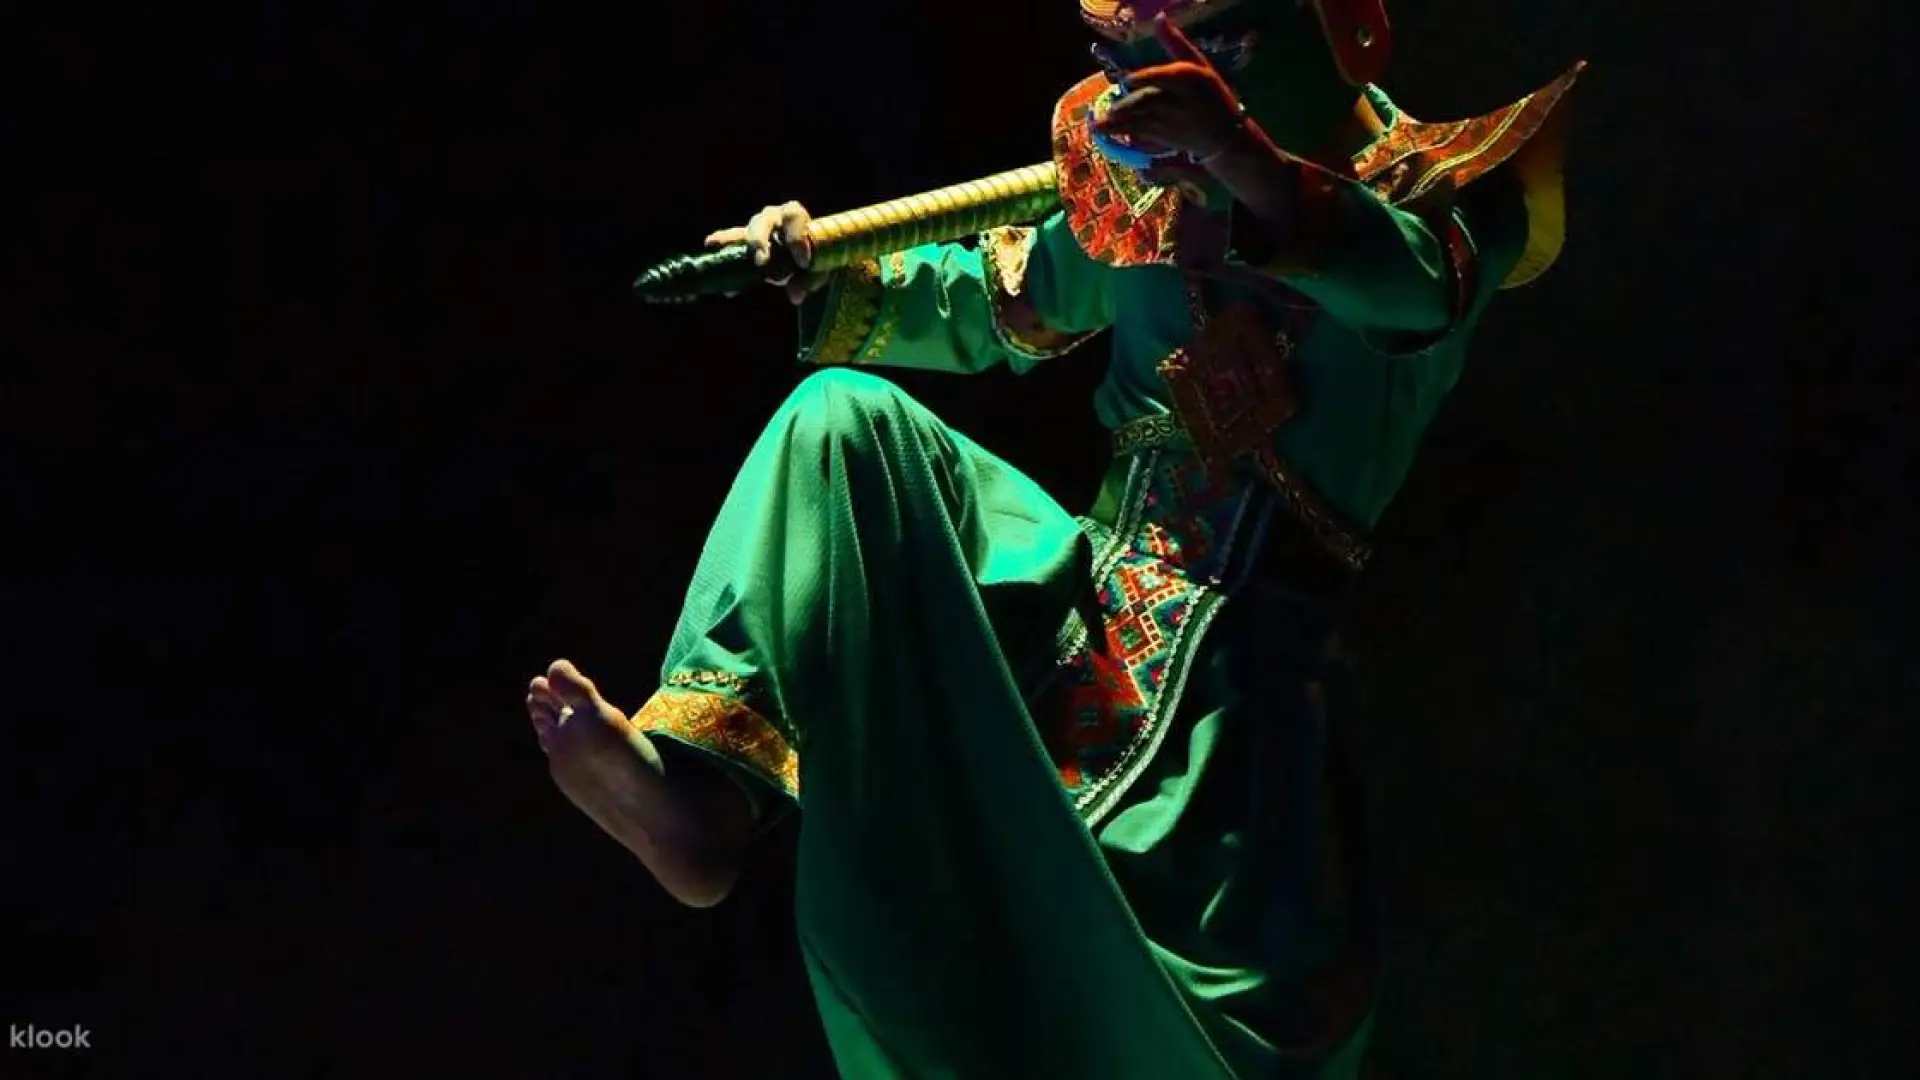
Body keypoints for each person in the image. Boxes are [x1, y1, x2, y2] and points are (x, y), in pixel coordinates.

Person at [524, 1, 1582, 1075]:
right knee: (841, 423)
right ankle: (706, 790)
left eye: (1221, 45)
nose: (1174, 77)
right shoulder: (1156, 186)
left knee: (1122, 1004)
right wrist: (826, 272)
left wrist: (1239, 157)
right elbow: (1008, 300)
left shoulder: (1453, 192)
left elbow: (1407, 288)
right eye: (1142, 54)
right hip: (1077, 605)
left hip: (1245, 701)